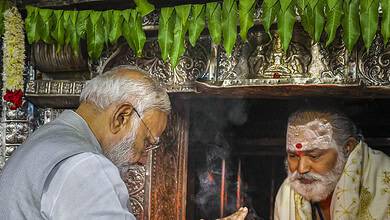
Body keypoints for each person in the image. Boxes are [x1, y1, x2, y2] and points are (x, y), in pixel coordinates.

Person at [0, 66, 247, 220]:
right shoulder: (84, 166)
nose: (142, 159)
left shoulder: (44, 141)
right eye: (146, 142)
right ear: (121, 117)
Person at [274, 109, 390, 220]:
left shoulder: (384, 179)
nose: (301, 169)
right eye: (293, 156)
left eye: (314, 156)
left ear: (347, 148)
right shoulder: (287, 194)